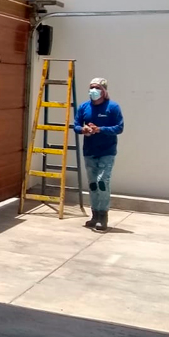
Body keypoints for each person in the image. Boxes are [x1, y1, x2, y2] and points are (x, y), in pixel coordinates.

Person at [73, 77, 124, 231]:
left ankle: (103, 215)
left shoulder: (113, 107)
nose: (93, 91)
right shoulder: (84, 107)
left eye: (97, 88)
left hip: (107, 151)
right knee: (93, 184)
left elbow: (119, 127)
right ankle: (94, 215)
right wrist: (84, 130)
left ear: (103, 91)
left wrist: (100, 129)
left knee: (102, 182)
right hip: (90, 151)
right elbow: (76, 125)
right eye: (91, 87)